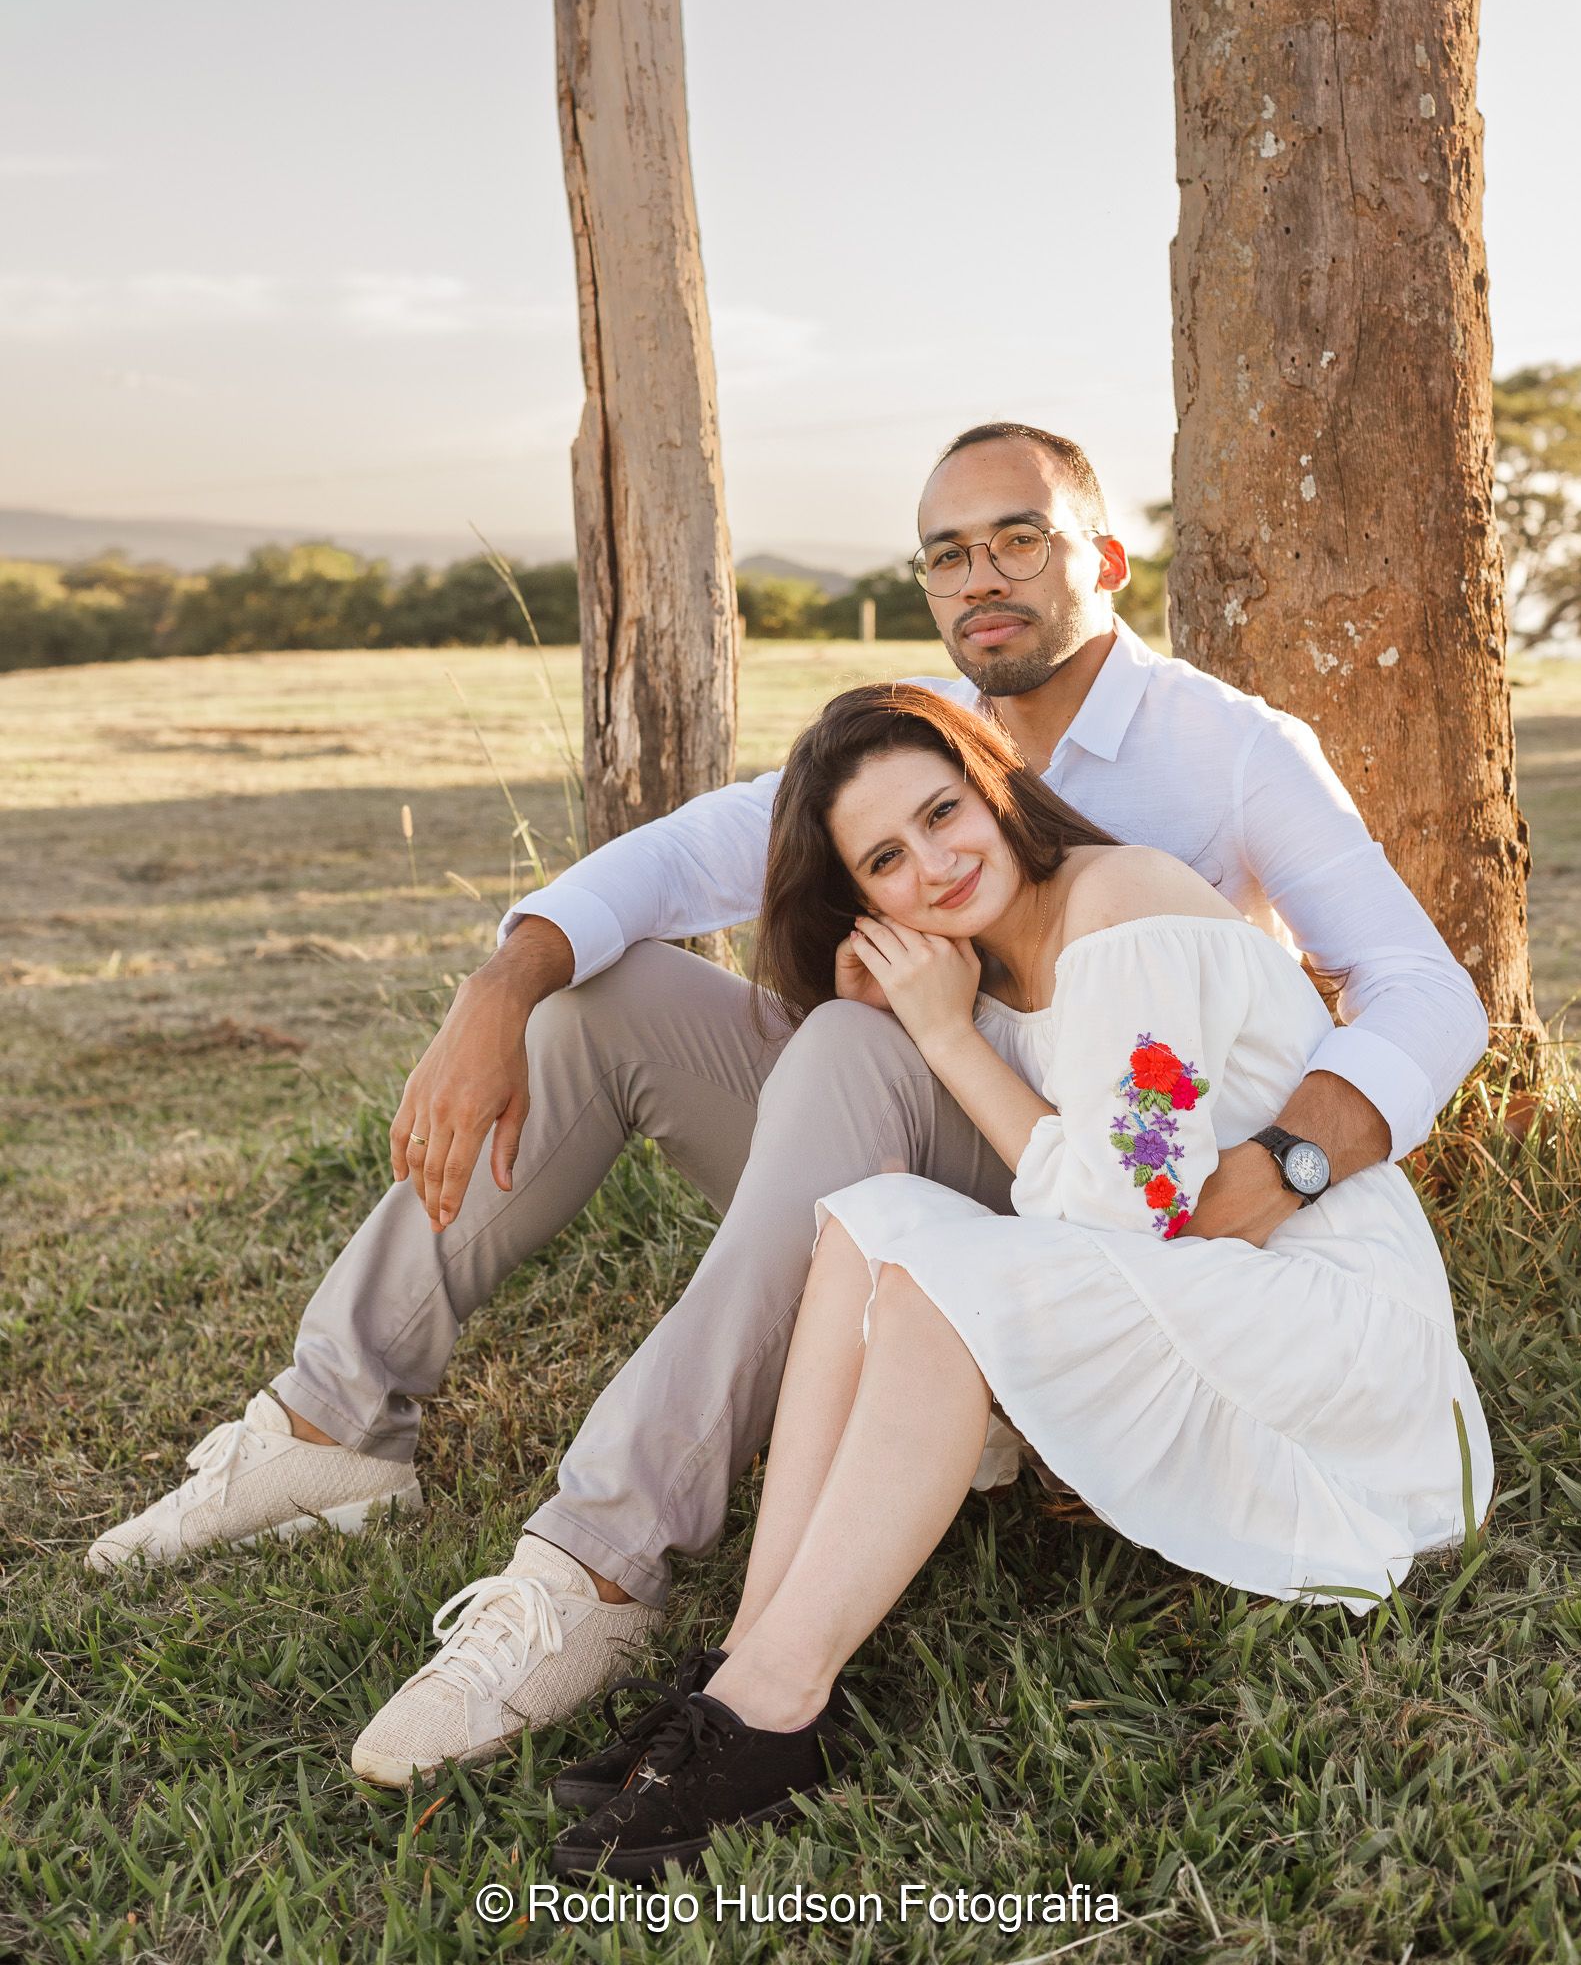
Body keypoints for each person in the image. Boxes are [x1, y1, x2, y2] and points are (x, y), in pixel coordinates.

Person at [86, 422, 1489, 1794]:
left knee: (852, 1050)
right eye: (947, 554)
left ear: (1105, 558)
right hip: (980, 1126)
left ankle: (599, 1563)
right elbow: (678, 859)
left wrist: (1290, 1160)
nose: (981, 578)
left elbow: (1424, 990)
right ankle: (330, 1423)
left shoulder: (1226, 748)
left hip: (1128, 1194)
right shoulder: (918, 740)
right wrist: (501, 981)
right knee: (608, 994)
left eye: (1019, 540)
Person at [544, 683, 1494, 1879]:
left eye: (942, 813)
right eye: (887, 860)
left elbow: (1133, 1208)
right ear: (864, 901)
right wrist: (917, 1017)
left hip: (1324, 1320)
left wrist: (944, 1037)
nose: (934, 865)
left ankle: (779, 1699)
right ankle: (742, 1667)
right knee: (866, 1225)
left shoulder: (1122, 905)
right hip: (1207, 1285)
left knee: (939, 1272)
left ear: (995, 787)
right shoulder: (985, 966)